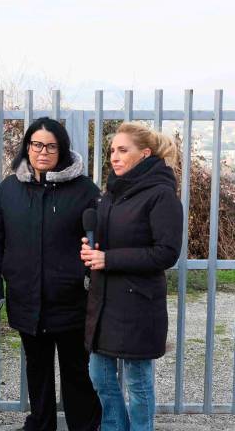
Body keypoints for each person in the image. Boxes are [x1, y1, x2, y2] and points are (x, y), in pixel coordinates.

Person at [0, 117, 102, 431]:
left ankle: (84, 426)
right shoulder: (9, 190)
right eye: (36, 144)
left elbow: (101, 238)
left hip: (72, 300)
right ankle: (41, 423)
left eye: (50, 146)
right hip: (26, 299)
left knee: (77, 370)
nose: (42, 152)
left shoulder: (84, 190)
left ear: (61, 149)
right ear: (27, 147)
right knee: (37, 368)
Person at [80, 122, 183, 431]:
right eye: (112, 150)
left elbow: (165, 252)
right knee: (99, 375)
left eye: (123, 150)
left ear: (145, 154)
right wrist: (92, 248)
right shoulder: (112, 193)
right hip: (104, 302)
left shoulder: (161, 196)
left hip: (138, 303)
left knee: (138, 383)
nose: (114, 157)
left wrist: (108, 258)